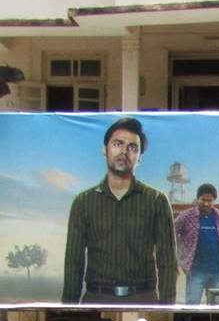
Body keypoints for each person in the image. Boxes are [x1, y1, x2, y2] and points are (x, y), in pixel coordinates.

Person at [61, 117, 177, 305]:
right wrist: (67, 313)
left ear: (139, 158)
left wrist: (166, 311)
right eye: (118, 144)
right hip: (96, 301)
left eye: (132, 147)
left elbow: (167, 263)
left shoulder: (156, 201)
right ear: (104, 149)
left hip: (143, 300)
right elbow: (73, 264)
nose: (124, 151)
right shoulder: (83, 202)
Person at [174, 182, 219, 305]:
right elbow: (171, 233)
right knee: (192, 306)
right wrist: (177, 257)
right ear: (198, 199)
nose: (206, 203)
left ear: (214, 201)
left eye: (210, 200)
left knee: (215, 308)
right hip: (195, 271)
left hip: (216, 271)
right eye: (203, 200)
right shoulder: (187, 216)